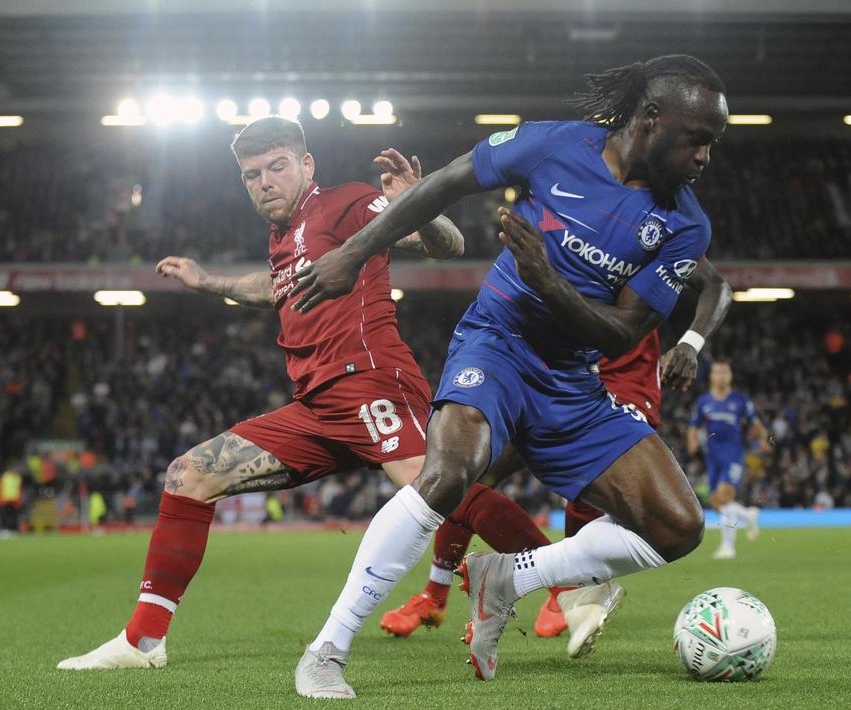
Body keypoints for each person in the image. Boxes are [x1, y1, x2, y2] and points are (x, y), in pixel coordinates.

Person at [287, 54, 727, 698]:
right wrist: (354, 252)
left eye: (712, 144)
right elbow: (447, 182)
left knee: (679, 527)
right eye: (698, 139)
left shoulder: (685, 223)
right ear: (651, 119)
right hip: (495, 344)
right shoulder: (552, 144)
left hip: (574, 381)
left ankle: (507, 579)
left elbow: (623, 333)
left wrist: (548, 279)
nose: (705, 158)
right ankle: (328, 648)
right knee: (448, 474)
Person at [56, 116, 464, 676]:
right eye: (252, 175)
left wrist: (421, 201)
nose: (265, 181)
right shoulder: (287, 234)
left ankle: (563, 578)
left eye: (277, 167)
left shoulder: (347, 203)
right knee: (189, 475)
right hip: (316, 406)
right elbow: (276, 287)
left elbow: (446, 244)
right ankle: (142, 641)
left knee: (443, 494)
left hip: (366, 383)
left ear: (306, 164)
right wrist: (209, 283)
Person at [379, 258, 731, 661]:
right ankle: (437, 592)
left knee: (593, 490)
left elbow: (715, 285)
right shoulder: (567, 214)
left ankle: (571, 590)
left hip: (622, 383)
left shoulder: (651, 227)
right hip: (553, 376)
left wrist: (691, 342)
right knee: (464, 474)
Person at [686, 359, 763, 559]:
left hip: (734, 454)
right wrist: (692, 440)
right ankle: (748, 515)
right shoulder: (704, 401)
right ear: (711, 376)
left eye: (724, 372)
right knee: (717, 502)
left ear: (730, 376)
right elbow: (694, 425)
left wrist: (763, 438)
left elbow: (755, 421)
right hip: (713, 456)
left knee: (724, 496)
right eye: (717, 372)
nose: (721, 376)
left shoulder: (739, 400)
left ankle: (728, 547)